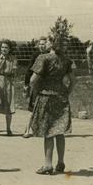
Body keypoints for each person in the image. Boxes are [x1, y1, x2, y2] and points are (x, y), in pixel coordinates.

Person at [29, 35, 76, 175]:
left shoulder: (43, 58)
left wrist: (38, 91)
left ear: (52, 44)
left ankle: (48, 164)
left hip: (46, 97)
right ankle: (60, 162)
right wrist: (66, 92)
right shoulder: (67, 61)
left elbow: (33, 80)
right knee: (59, 131)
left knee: (48, 131)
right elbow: (73, 81)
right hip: (61, 97)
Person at [23, 36, 48, 138]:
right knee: (32, 107)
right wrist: (26, 84)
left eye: (44, 44)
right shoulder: (35, 55)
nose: (42, 46)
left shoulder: (50, 56)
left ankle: (42, 130)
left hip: (46, 85)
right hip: (35, 83)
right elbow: (29, 70)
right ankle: (27, 130)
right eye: (40, 44)